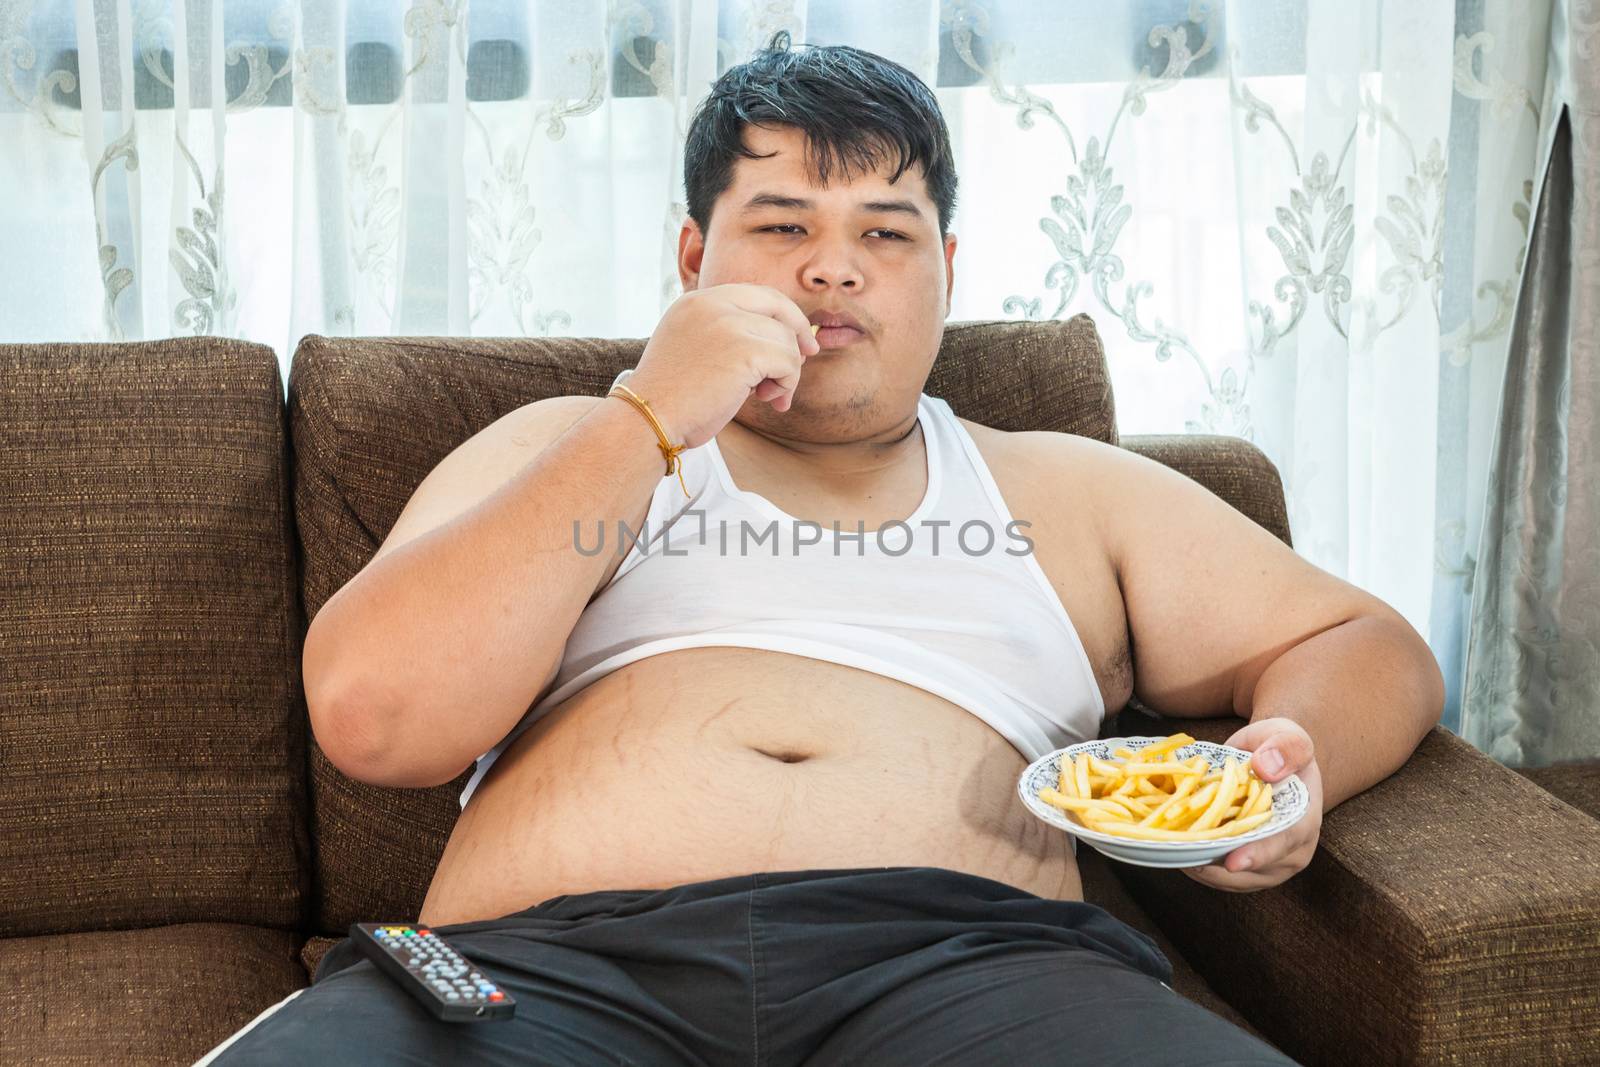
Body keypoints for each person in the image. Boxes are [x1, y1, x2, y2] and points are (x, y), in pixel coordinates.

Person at [202, 31, 1443, 1066]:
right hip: (542, 977)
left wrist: (1293, 760)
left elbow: (1362, 641)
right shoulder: (567, 445)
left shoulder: (1063, 487)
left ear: (947, 272)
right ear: (695, 261)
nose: (831, 269)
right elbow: (373, 719)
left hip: (979, 978)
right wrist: (647, 415)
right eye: (781, 224)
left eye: (886, 235)